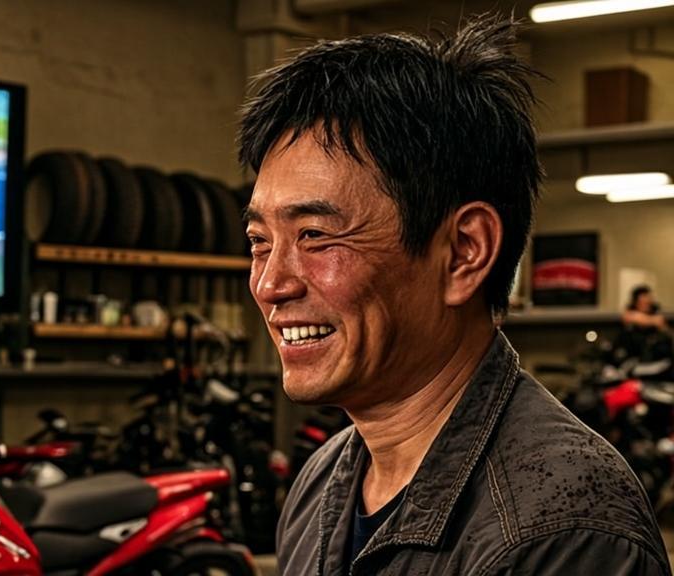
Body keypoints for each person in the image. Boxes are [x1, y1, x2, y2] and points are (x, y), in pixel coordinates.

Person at [238, 13, 671, 575]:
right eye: (258, 241)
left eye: (316, 237)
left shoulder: (562, 530)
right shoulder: (323, 484)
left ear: (464, 252)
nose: (272, 283)